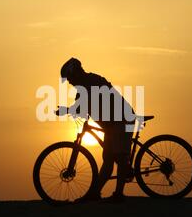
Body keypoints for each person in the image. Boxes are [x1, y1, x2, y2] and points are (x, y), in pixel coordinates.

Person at [55, 57, 135, 202]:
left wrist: (67, 110)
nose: (69, 82)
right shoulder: (82, 86)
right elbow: (79, 107)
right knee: (108, 159)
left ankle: (118, 195)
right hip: (112, 124)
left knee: (120, 158)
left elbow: (83, 105)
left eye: (70, 78)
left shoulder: (92, 81)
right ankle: (94, 194)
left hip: (121, 120)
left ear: (76, 74)